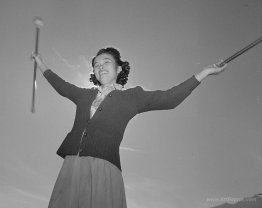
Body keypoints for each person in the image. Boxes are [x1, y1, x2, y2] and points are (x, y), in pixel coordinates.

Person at [31, 47, 227, 208]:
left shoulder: (133, 97)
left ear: (119, 69)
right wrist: (40, 63)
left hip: (104, 167)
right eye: (96, 65)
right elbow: (60, 85)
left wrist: (205, 72)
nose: (100, 67)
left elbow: (170, 98)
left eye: (106, 62)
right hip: (73, 166)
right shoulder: (84, 95)